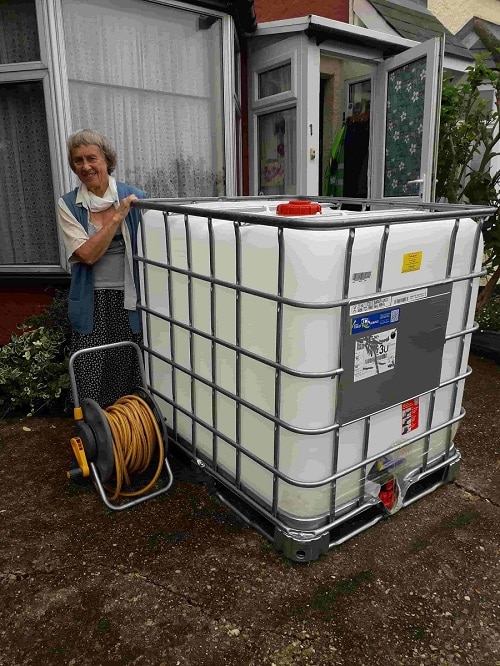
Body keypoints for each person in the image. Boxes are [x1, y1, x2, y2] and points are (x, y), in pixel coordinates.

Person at [57, 129, 146, 407]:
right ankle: (95, 432)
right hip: (92, 299)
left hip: (131, 299)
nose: (85, 166)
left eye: (91, 158)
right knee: (90, 367)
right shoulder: (69, 204)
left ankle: (130, 431)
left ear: (106, 160)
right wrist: (118, 216)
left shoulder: (137, 197)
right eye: (78, 161)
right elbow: (87, 254)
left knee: (129, 364)